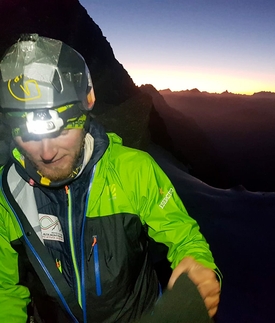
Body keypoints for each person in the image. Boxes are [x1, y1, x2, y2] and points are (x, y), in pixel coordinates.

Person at [0, 34, 221, 323]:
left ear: (85, 112)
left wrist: (202, 270)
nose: (46, 152)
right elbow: (4, 288)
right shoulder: (6, 195)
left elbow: (184, 238)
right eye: (28, 135)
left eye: (62, 129)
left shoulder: (133, 171)